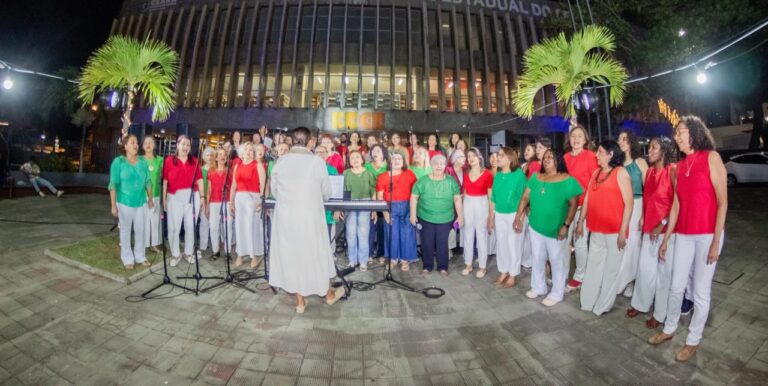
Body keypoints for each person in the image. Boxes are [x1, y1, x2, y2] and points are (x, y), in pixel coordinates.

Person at [648, 116, 728, 362]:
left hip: (707, 235)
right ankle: (670, 329)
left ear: (694, 132)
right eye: (675, 133)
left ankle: (693, 340)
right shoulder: (680, 167)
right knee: (676, 286)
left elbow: (723, 202)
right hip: (683, 234)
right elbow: (676, 207)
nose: (676, 137)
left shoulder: (711, 158)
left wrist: (716, 241)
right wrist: (666, 238)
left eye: (680, 132)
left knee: (700, 291)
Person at [269, 127, 346, 313]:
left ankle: (300, 303)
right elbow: (327, 193)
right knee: (315, 254)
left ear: (292, 141)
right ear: (309, 141)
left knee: (293, 255)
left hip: (287, 218)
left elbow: (274, 191)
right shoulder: (316, 163)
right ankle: (328, 295)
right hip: (310, 217)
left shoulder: (281, 162)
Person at [514, 150, 582, 307]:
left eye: (550, 157)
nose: (546, 160)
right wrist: (518, 216)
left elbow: (573, 204)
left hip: (555, 229)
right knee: (537, 258)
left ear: (558, 160)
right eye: (544, 157)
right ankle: (538, 286)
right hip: (536, 226)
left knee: (556, 261)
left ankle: (557, 293)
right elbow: (525, 198)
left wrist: (566, 225)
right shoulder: (536, 177)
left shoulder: (568, 180)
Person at [576, 140, 634, 316]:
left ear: (610, 154)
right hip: (596, 229)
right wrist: (580, 222)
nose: (596, 155)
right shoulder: (595, 173)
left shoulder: (620, 173)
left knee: (611, 271)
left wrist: (623, 232)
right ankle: (588, 302)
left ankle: (603, 306)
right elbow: (587, 199)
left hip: (615, 232)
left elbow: (629, 204)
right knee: (593, 267)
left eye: (600, 152)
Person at [627, 136, 676, 327]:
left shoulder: (672, 171)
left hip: (667, 231)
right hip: (649, 228)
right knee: (645, 269)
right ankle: (640, 303)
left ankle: (660, 314)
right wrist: (643, 217)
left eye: (654, 147)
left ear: (664, 151)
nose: (650, 151)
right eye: (650, 147)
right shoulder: (649, 174)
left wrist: (662, 223)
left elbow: (677, 204)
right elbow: (648, 200)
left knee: (663, 274)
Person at [410, 154, 463, 276]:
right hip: (425, 217)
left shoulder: (451, 181)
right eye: (436, 163)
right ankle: (427, 267)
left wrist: (460, 216)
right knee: (427, 242)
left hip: (445, 218)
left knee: (442, 243)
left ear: (445, 166)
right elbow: (414, 197)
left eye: (441, 163)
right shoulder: (423, 181)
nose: (439, 166)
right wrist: (413, 214)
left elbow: (457, 199)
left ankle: (443, 267)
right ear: (431, 166)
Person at [109, 134, 153, 270]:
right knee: (126, 230)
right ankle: (127, 258)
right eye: (132, 143)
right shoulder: (119, 162)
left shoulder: (142, 162)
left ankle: (140, 256)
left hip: (140, 202)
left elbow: (148, 181)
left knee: (140, 230)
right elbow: (113, 184)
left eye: (136, 143)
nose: (135, 145)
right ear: (125, 146)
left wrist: (150, 198)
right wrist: (113, 206)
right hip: (124, 202)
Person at [563, 126, 599, 291]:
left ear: (585, 140)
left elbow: (594, 184)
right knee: (562, 242)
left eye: (579, 136)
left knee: (580, 242)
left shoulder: (590, 156)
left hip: (582, 207)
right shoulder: (564, 158)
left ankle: (580, 276)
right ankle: (561, 274)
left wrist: (585, 212)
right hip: (564, 207)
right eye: (573, 136)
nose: (576, 139)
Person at [616, 130, 649, 297]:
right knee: (622, 243)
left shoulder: (640, 162)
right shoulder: (618, 165)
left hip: (637, 205)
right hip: (621, 207)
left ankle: (630, 281)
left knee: (633, 244)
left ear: (631, 141)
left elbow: (648, 190)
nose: (621, 142)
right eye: (619, 139)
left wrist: (644, 214)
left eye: (624, 139)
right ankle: (624, 280)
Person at [163, 135, 204, 266]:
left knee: (190, 226)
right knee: (173, 227)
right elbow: (165, 182)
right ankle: (175, 254)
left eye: (188, 145)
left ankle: (188, 252)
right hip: (174, 197)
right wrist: (164, 199)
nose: (185, 147)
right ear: (178, 145)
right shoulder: (169, 161)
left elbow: (200, 180)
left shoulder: (195, 161)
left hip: (192, 196)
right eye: (183, 144)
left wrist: (202, 197)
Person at [491, 147, 526, 288]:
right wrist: (490, 217)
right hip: (499, 214)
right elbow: (493, 197)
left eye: (501, 155)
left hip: (514, 214)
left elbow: (524, 198)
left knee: (514, 245)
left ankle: (513, 274)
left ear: (510, 158)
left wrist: (520, 218)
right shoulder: (498, 175)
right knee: (501, 244)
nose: (497, 158)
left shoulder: (519, 175)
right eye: (498, 155)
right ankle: (503, 271)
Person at [377, 151, 418, 271]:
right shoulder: (383, 176)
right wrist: (385, 212)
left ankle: (405, 259)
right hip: (390, 207)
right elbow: (380, 196)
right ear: (390, 161)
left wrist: (413, 211)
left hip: (407, 206)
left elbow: (415, 194)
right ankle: (393, 258)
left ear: (404, 161)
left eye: (399, 159)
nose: (396, 161)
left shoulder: (410, 174)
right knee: (391, 233)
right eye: (394, 159)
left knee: (407, 233)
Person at [229, 142, 264, 268]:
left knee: (251, 227)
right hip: (239, 198)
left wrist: (261, 201)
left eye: (250, 150)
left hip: (253, 198)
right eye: (246, 150)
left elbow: (263, 185)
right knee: (239, 226)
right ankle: (240, 253)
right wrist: (231, 202)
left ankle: (253, 255)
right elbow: (233, 185)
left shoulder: (257, 164)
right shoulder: (237, 166)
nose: (248, 152)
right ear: (241, 153)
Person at [461, 148, 494, 278]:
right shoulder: (466, 174)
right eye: (469, 156)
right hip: (468, 203)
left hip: (482, 203)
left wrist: (492, 214)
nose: (471, 158)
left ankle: (482, 266)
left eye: (473, 155)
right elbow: (464, 193)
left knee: (481, 235)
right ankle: (468, 264)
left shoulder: (487, 174)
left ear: (479, 157)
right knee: (468, 234)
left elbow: (490, 196)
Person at [343, 150, 376, 271]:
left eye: (357, 157)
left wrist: (373, 209)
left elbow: (373, 192)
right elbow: (344, 191)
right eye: (352, 158)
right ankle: (352, 260)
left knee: (363, 233)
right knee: (351, 233)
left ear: (362, 160)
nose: (355, 160)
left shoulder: (368, 174)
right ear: (349, 162)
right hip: (350, 204)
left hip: (365, 204)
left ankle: (363, 261)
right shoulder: (346, 173)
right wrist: (344, 208)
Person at [205, 148, 233, 260]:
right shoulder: (210, 171)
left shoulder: (230, 172)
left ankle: (228, 252)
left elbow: (232, 189)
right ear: (216, 158)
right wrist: (207, 206)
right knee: (213, 227)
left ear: (226, 158)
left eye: (224, 155)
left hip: (226, 202)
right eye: (220, 154)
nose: (222, 156)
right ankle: (215, 251)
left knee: (228, 227)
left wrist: (232, 203)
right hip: (214, 202)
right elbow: (209, 191)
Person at [366, 144, 388, 264]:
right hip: (369, 200)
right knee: (370, 228)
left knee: (382, 228)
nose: (375, 153)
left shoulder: (388, 167)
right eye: (373, 151)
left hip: (384, 201)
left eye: (378, 151)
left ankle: (381, 254)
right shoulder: (367, 166)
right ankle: (369, 253)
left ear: (383, 153)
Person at [141, 136, 163, 252]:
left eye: (150, 143)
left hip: (155, 195)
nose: (148, 145)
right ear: (143, 146)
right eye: (146, 143)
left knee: (155, 220)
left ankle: (154, 244)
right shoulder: (139, 159)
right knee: (144, 220)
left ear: (154, 145)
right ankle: (144, 243)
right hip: (142, 195)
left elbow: (163, 176)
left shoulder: (160, 160)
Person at [197, 147, 215, 253]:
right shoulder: (200, 169)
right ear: (204, 157)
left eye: (211, 155)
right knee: (204, 221)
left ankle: (214, 244)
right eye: (207, 155)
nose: (209, 157)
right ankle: (203, 245)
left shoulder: (216, 169)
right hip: (203, 198)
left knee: (214, 223)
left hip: (214, 199)